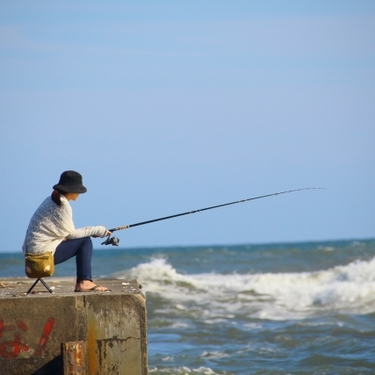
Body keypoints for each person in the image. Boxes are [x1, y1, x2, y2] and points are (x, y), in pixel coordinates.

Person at [22, 170, 111, 292]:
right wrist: (98, 230)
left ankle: (83, 282)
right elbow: (70, 234)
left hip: (31, 257)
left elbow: (61, 233)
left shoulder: (51, 200)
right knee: (85, 242)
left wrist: (93, 231)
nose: (79, 193)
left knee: (83, 239)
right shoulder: (62, 206)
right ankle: (84, 282)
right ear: (72, 190)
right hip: (42, 257)